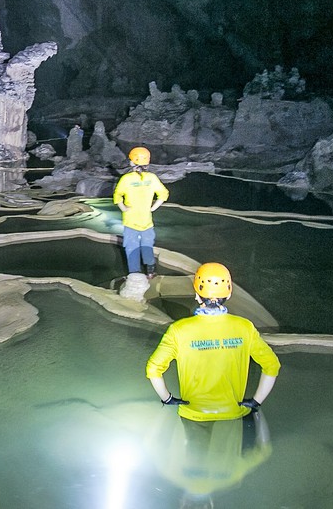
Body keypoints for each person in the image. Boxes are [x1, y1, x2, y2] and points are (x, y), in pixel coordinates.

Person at [146, 262, 280, 422]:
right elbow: (272, 365)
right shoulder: (245, 327)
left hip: (193, 412)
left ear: (196, 294)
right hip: (232, 412)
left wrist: (167, 398)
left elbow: (153, 369)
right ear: (229, 295)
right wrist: (256, 401)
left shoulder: (178, 330)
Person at [113, 146, 169, 278]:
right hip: (147, 221)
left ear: (132, 162)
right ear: (147, 163)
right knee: (147, 245)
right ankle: (150, 271)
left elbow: (117, 196)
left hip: (130, 221)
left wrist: (124, 208)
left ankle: (135, 274)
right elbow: (164, 194)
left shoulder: (126, 179)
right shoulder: (152, 178)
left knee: (132, 247)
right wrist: (153, 208)